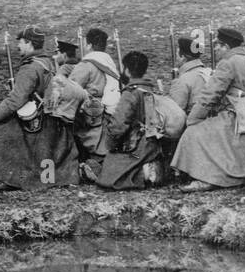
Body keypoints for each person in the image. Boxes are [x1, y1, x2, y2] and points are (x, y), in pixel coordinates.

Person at [171, 27, 245, 191]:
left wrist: (193, 120)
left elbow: (209, 95)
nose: (215, 49)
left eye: (217, 46)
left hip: (234, 116)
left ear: (226, 46)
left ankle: (206, 178)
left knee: (193, 133)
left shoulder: (228, 63)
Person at [0, 26, 80, 190]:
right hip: (54, 123)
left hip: (39, 125)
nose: (18, 46)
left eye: (21, 42)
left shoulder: (30, 67)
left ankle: (11, 178)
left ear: (29, 43)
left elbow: (15, 100)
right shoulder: (49, 62)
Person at [95, 51, 167, 190]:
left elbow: (118, 126)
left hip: (137, 146)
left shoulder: (130, 93)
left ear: (127, 70)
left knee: (107, 176)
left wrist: (110, 145)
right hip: (154, 144)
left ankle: (145, 173)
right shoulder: (151, 89)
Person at [68, 28, 122, 178]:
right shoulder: (110, 63)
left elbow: (71, 90)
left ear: (89, 45)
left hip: (90, 116)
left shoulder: (86, 65)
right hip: (108, 113)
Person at [168, 36, 211, 116]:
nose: (176, 59)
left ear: (183, 57)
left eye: (177, 55)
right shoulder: (210, 72)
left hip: (195, 125)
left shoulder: (182, 80)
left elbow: (175, 115)